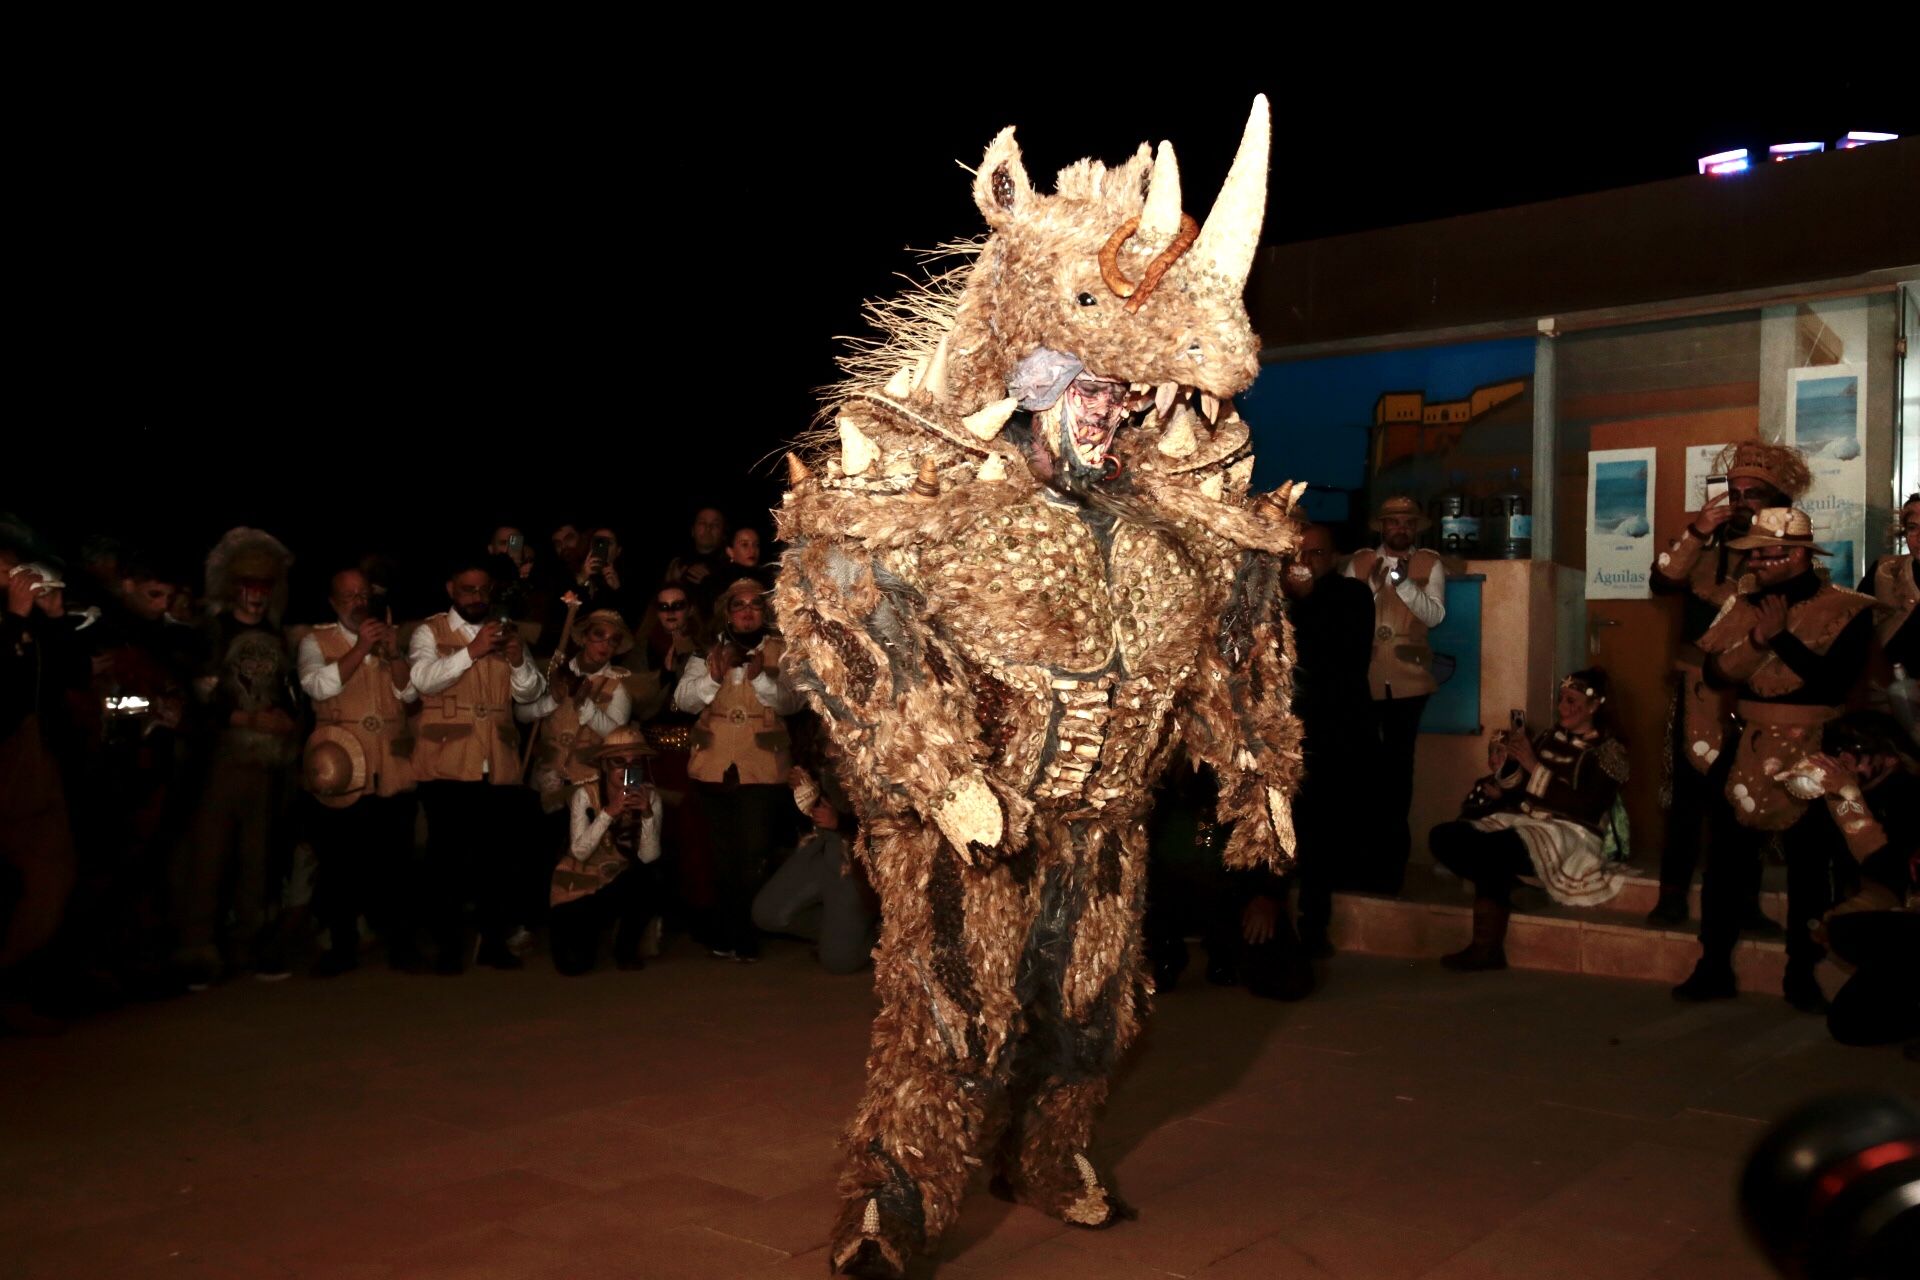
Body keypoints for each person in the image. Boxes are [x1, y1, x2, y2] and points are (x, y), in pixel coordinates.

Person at [773, 101, 1298, 1275]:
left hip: (1107, 826)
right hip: (974, 826)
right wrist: (940, 770)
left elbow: (1231, 637)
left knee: (1096, 1015)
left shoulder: (1166, 523)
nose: (1111, 416)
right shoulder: (942, 508)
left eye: (1121, 398)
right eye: (1090, 395)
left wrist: (1259, 764)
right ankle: (892, 1201)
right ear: (1033, 386)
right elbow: (847, 614)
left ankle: (1052, 1151)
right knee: (947, 1017)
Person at [1675, 507, 1876, 1011]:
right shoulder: (1744, 605)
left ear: (1803, 555)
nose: (1760, 562)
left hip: (1814, 748)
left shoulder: (1848, 609)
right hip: (1747, 745)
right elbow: (1718, 675)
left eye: (1772, 553)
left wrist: (1782, 635)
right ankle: (1713, 966)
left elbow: (1832, 683)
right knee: (1724, 864)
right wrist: (1759, 639)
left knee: (1811, 870)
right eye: (1755, 553)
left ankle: (1802, 976)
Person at [1646, 441, 1809, 926]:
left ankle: (1745, 902)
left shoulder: (1785, 553)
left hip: (1754, 692)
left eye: (1752, 493)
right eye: (1733, 492)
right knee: (1688, 798)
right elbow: (1661, 582)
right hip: (1698, 689)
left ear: (1775, 500)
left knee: (1747, 800)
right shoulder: (1703, 548)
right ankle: (1672, 896)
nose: (1740, 501)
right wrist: (1698, 529)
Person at [1428, 670, 1629, 970]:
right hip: (1524, 822)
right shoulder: (1549, 737)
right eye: (1561, 699)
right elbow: (1520, 791)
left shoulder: (1609, 750)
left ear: (1594, 706)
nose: (1563, 707)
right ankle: (1508, 892)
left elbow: (1587, 807)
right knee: (1444, 835)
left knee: (1494, 850)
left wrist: (1534, 767)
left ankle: (1486, 947)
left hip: (1571, 833)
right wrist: (1509, 772)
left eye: (1572, 701)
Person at [406, 557, 548, 972]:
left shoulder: (506, 633)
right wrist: (472, 651)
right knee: (446, 858)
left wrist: (520, 660)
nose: (475, 597)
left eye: (482, 590)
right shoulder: (429, 631)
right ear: (451, 589)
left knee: (497, 859)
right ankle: (447, 945)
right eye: (467, 590)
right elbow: (421, 680)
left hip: (498, 760)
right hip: (447, 760)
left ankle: (492, 942)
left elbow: (529, 695)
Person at [174, 529, 303, 987]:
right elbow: (195, 699)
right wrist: (243, 721)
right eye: (248, 584)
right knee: (209, 857)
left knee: (259, 860)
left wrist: (287, 722)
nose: (256, 594)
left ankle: (252, 946)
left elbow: (289, 695)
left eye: (264, 586)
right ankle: (197, 949)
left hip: (268, 764)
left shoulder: (274, 635)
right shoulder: (213, 631)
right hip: (221, 762)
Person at [296, 567, 420, 975]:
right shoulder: (316, 641)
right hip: (341, 766)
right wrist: (361, 647)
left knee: (397, 862)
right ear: (333, 603)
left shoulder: (389, 637)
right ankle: (342, 947)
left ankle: (403, 946)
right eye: (349, 596)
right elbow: (317, 686)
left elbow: (410, 692)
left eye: (364, 594)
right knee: (340, 862)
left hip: (391, 765)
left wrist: (394, 652)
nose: (359, 602)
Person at [673, 577, 802, 961]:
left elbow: (793, 703)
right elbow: (682, 700)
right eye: (739, 605)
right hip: (713, 765)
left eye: (755, 605)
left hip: (760, 766)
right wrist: (714, 676)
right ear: (727, 612)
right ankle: (730, 932)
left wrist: (760, 676)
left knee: (753, 853)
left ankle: (743, 932)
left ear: (764, 612)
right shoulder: (705, 652)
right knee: (722, 854)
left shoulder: (783, 651)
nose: (747, 611)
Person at [1779, 713, 1919, 1052]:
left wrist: (1849, 802)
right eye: (1833, 748)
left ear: (1889, 757)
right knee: (1849, 1024)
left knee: (1853, 930)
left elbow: (1895, 872)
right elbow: (1811, 868)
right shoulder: (1842, 796)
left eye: (1852, 749)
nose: (1839, 758)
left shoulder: (1909, 794)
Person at [1281, 522, 1376, 954]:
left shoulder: (1352, 597)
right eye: (1298, 554)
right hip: (1286, 734)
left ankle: (1314, 927)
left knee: (1320, 830)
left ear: (1334, 558)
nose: (1305, 563)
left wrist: (1303, 602)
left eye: (1315, 554)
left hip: (1334, 733)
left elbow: (1339, 656)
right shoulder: (1277, 599)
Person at [1344, 494, 1446, 895]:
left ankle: (1391, 871)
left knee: (1398, 775)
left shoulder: (1429, 564)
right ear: (1381, 526)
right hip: (1365, 680)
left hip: (1410, 681)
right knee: (1365, 773)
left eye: (1407, 522)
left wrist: (1402, 584)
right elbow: (1348, 615)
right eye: (1393, 522)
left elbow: (1434, 616)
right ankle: (1363, 862)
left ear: (1415, 527)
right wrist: (1371, 587)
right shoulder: (1359, 562)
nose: (1400, 528)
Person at [1, 542, 84, 1031]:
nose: (19, 577)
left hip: (45, 767)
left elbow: (67, 681)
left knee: (55, 873)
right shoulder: (8, 622)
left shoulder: (29, 621)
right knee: (37, 878)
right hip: (10, 771)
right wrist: (15, 618)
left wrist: (52, 619)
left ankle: (36, 983)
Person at [550, 725, 662, 975]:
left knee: (650, 879)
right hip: (580, 882)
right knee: (575, 966)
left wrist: (646, 814)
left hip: (618, 879)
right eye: (618, 762)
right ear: (604, 766)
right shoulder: (585, 794)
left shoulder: (650, 796)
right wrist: (608, 813)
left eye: (634, 763)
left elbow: (650, 856)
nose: (626, 770)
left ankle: (626, 949)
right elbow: (578, 851)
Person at [751, 765, 877, 975]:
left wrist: (841, 822)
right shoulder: (817, 740)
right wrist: (803, 789)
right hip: (819, 847)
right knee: (766, 913)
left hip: (856, 860)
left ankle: (876, 936)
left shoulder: (879, 747)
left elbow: (894, 820)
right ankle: (839, 934)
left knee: (839, 962)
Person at [520, 608, 634, 815]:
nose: (606, 645)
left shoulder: (618, 687)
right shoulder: (554, 671)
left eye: (613, 640)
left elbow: (617, 738)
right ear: (583, 637)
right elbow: (521, 714)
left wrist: (584, 704)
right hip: (544, 778)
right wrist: (552, 701)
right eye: (599, 635)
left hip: (585, 785)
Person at [1861, 492, 1919, 693]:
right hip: (1886, 699)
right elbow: (1855, 630)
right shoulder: (1885, 571)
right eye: (1913, 528)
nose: (1919, 537)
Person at [662, 506, 730, 611]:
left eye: (715, 525)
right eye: (702, 523)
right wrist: (673, 584)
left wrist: (712, 585)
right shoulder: (677, 564)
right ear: (693, 531)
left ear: (723, 534)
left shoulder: (732, 566)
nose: (708, 527)